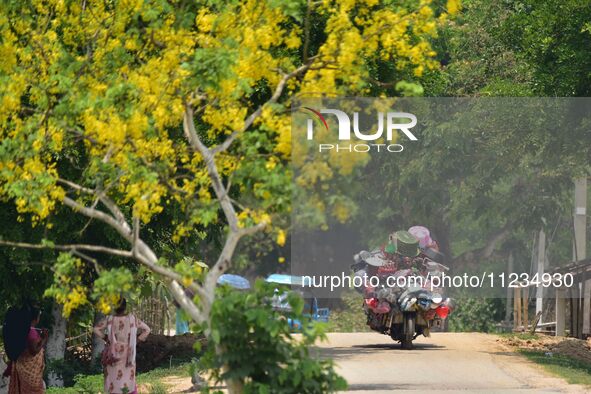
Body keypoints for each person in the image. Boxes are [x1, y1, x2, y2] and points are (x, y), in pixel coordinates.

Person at [93, 298, 151, 394]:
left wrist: (106, 338)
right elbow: (147, 329)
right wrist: (137, 340)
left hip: (113, 353)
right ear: (125, 307)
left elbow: (96, 329)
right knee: (128, 378)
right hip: (128, 353)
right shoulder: (132, 318)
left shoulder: (109, 319)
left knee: (113, 379)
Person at [4, 306, 48, 394]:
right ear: (36, 318)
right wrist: (44, 338)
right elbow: (34, 351)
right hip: (30, 373)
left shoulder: (24, 331)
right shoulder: (31, 332)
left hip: (22, 368)